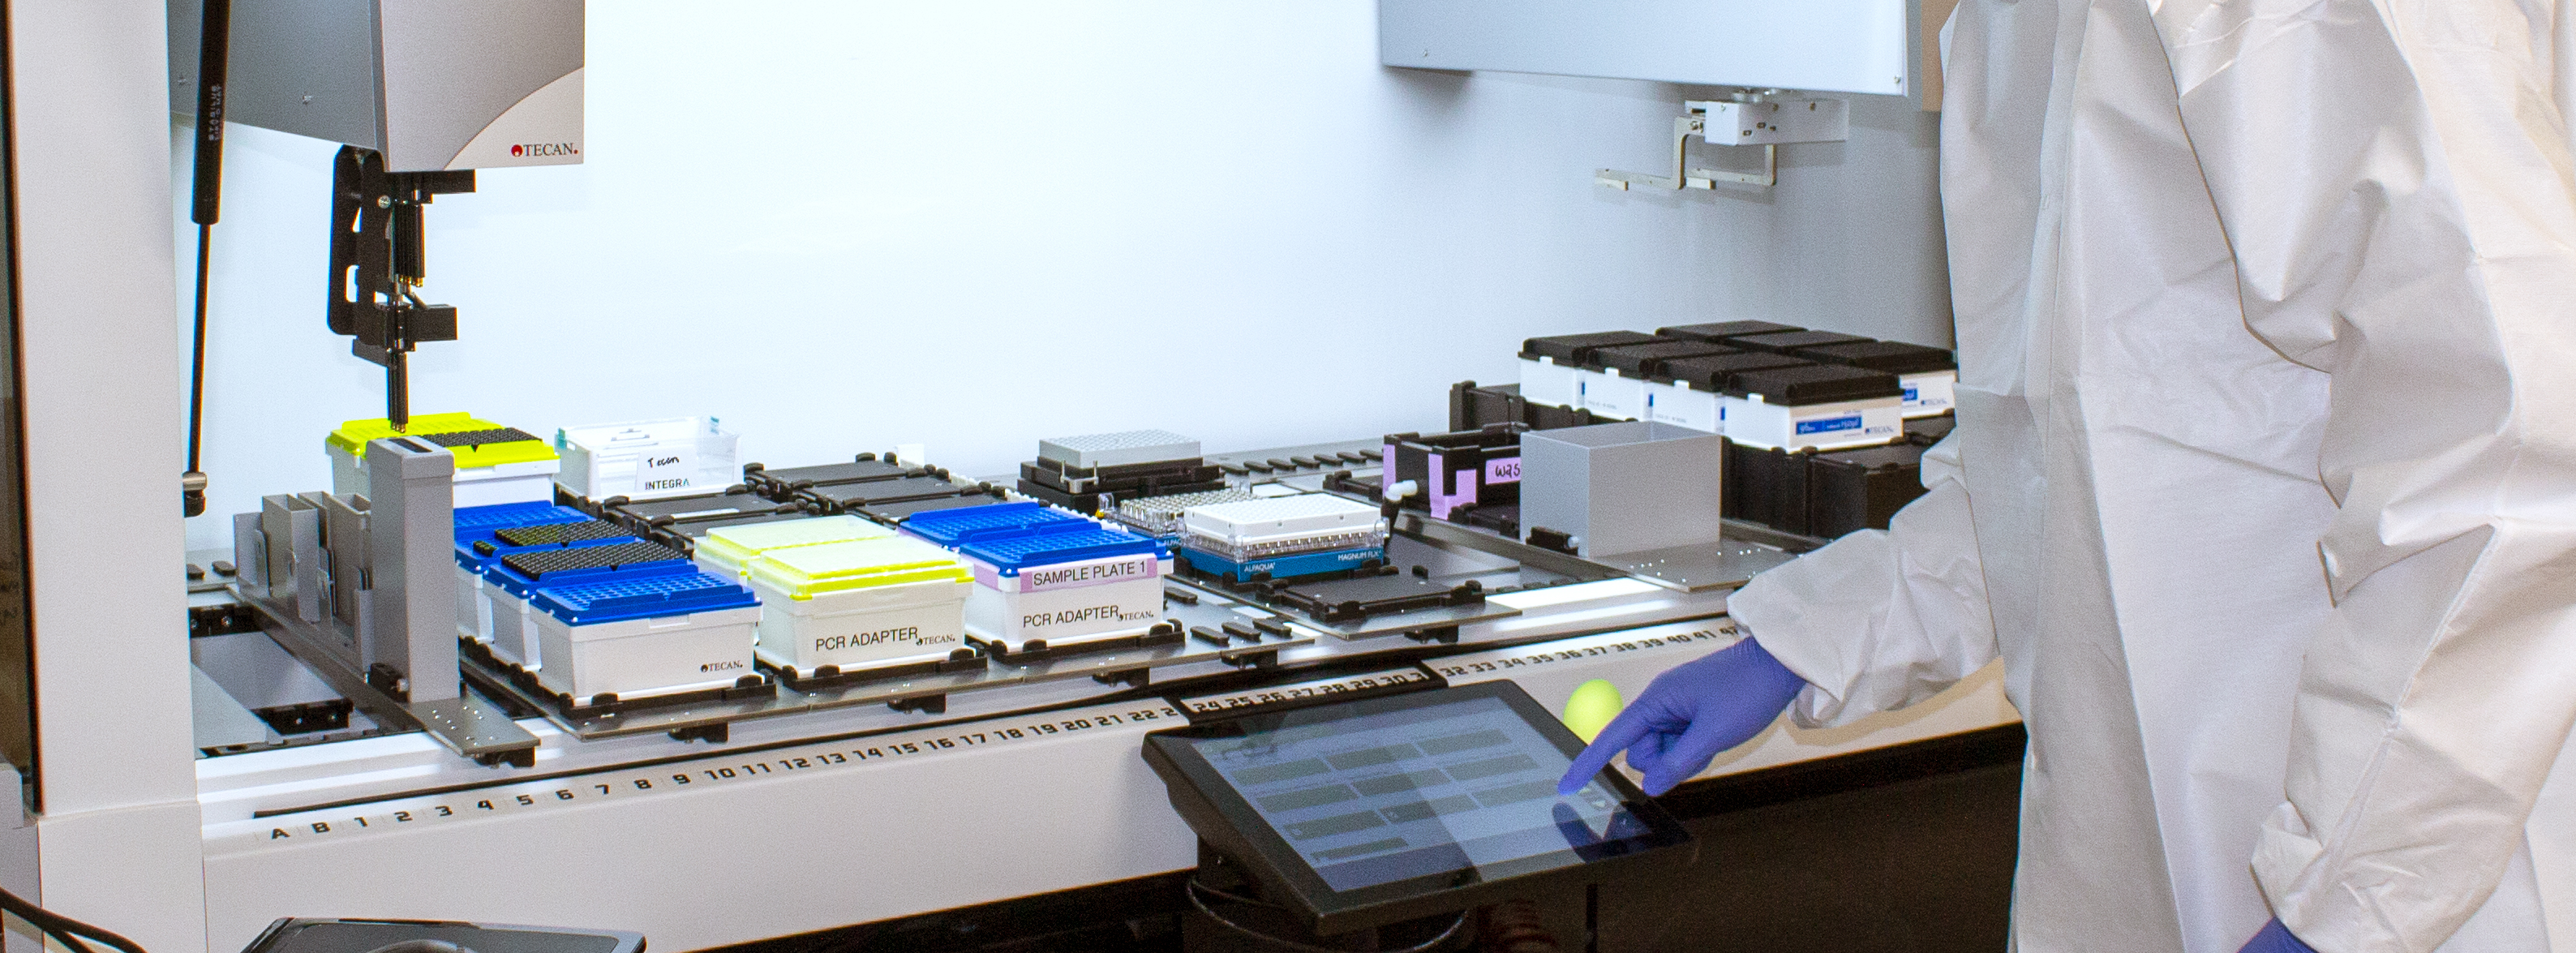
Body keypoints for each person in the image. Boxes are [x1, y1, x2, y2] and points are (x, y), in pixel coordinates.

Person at [1556, 1, 2576, 951]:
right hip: (2129, 853)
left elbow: (2502, 456)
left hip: (2397, 873)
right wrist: (1804, 640)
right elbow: (2044, 443)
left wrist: (2340, 908)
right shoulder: (2013, 26)